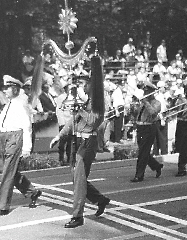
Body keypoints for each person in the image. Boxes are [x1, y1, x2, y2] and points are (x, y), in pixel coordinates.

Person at [50, 56, 110, 228]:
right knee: (78, 179)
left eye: (87, 84)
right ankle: (100, 199)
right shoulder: (88, 102)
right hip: (77, 142)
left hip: (88, 143)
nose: (84, 86)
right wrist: (59, 136)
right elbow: (72, 122)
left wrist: (80, 109)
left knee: (79, 180)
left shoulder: (99, 102)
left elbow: (92, 121)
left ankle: (78, 216)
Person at [0, 75, 42, 217]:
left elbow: (27, 126)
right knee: (12, 171)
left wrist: (27, 148)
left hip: (15, 138)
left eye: (7, 88)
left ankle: (3, 206)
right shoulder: (8, 105)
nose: (4, 91)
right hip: (5, 138)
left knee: (7, 172)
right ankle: (33, 191)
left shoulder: (21, 104)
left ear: (15, 89)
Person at [130, 81, 164, 182]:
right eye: (144, 90)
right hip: (141, 128)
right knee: (143, 151)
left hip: (149, 128)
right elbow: (137, 115)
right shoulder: (142, 103)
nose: (145, 92)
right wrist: (133, 107)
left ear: (152, 91)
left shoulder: (157, 103)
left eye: (147, 90)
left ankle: (139, 175)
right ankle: (157, 166)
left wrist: (145, 102)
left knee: (142, 153)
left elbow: (153, 113)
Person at [55, 82, 73, 165]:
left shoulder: (73, 98)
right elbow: (58, 111)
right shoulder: (61, 98)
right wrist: (61, 122)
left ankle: (69, 158)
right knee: (62, 141)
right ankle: (61, 158)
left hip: (71, 122)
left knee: (70, 141)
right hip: (64, 122)